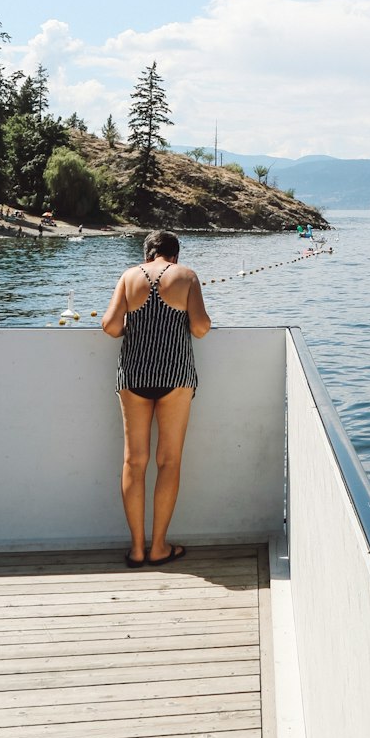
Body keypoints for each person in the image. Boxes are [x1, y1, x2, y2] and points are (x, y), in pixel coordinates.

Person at [101, 230, 211, 568]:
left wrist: (132, 329)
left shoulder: (129, 276)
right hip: (174, 376)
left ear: (147, 253)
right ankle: (159, 546)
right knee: (169, 461)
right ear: (174, 255)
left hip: (134, 375)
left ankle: (136, 549)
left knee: (134, 462)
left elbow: (109, 325)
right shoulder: (186, 276)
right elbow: (201, 327)